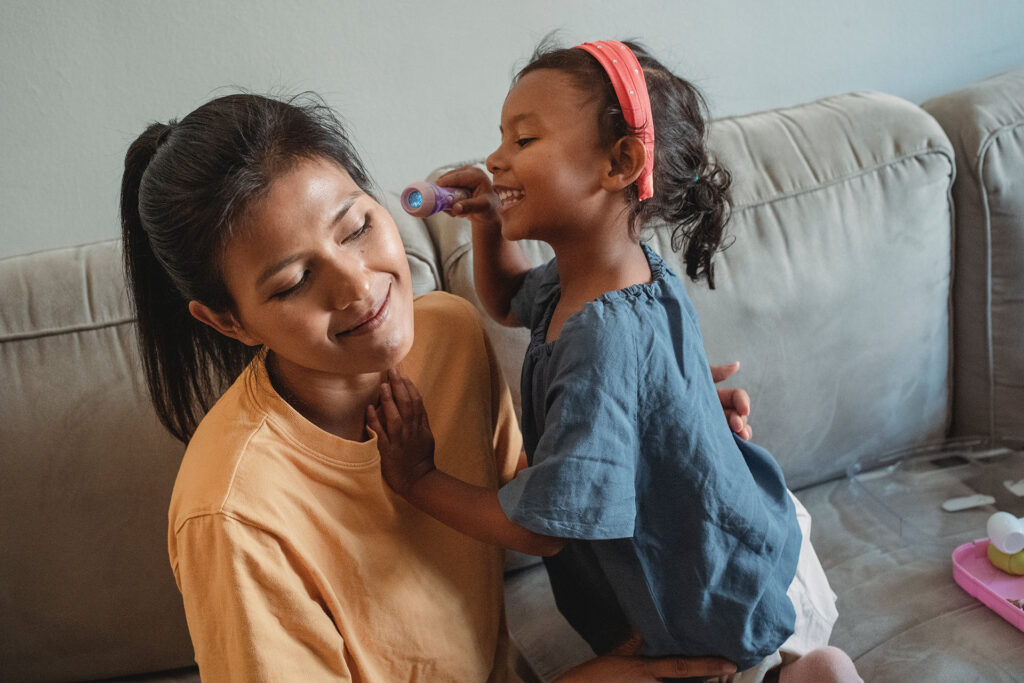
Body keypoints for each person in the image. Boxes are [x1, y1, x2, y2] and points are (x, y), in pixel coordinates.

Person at [120, 91, 751, 681]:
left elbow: (530, 497)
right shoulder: (233, 515)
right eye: (292, 282)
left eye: (356, 228)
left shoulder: (446, 334)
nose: (360, 287)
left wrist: (655, 428)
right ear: (227, 321)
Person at [370, 40, 861, 683]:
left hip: (709, 606)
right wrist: (488, 219)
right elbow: (510, 301)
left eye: (524, 140)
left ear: (619, 162)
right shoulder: (605, 274)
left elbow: (541, 529)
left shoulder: (601, 336)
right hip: (742, 544)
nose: (495, 159)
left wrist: (418, 480)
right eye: (501, 139)